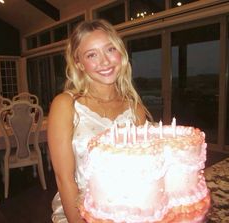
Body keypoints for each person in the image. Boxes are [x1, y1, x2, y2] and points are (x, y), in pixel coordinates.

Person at [47, 19, 152, 223]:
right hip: (81, 211)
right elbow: (64, 179)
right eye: (92, 55)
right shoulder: (65, 105)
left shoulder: (135, 109)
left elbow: (141, 170)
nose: (104, 62)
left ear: (120, 53)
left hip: (129, 210)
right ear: (79, 64)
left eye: (110, 49)